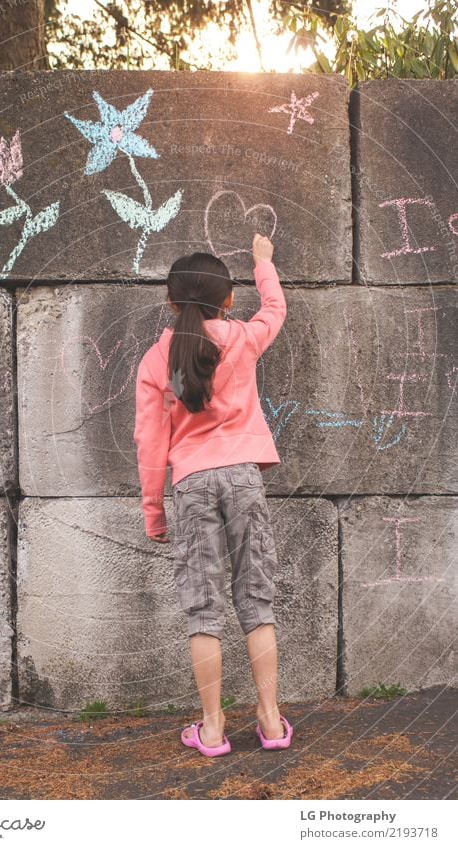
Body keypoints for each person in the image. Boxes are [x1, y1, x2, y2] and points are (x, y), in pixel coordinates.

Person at [133, 233, 293, 757]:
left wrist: (154, 510)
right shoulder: (243, 338)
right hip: (244, 477)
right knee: (256, 599)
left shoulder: (159, 359)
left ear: (171, 304)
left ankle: (212, 728)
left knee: (203, 608)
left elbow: (150, 441)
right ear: (227, 300)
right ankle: (270, 722)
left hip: (192, 483)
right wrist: (263, 263)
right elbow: (274, 308)